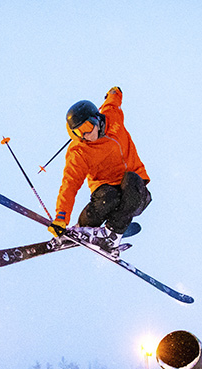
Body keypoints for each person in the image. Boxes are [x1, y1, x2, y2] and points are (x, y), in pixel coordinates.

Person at [49, 87, 151, 256]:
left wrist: (115, 92)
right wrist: (61, 216)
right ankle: (81, 230)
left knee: (131, 180)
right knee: (108, 197)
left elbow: (113, 99)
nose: (85, 136)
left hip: (136, 194)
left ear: (96, 119)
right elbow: (70, 183)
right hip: (106, 192)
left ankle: (112, 235)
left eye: (87, 127)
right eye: (78, 133)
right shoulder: (80, 151)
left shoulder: (113, 116)